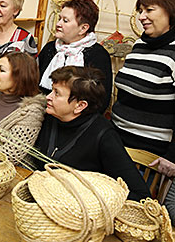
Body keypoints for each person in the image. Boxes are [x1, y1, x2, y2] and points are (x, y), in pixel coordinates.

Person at [34, 66, 150, 201]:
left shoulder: (103, 135)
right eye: (51, 90)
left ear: (80, 106)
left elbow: (140, 195)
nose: (48, 97)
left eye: (57, 93)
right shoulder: (49, 116)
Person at [110, 0, 175, 217]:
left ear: (170, 11)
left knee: (133, 213)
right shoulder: (139, 45)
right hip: (117, 138)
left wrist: (172, 156)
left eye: (149, 10)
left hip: (149, 152)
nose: (141, 17)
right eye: (140, 10)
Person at [0, 51, 46, 165]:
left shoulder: (31, 112)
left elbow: (10, 156)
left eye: (2, 70)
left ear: (19, 76)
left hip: (11, 176)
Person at [38, 0, 112, 113]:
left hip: (79, 120)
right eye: (59, 19)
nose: (58, 24)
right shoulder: (50, 48)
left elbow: (101, 100)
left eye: (65, 21)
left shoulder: (98, 55)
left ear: (83, 28)